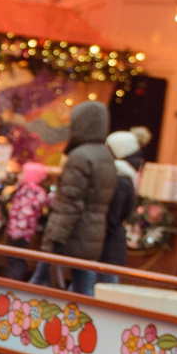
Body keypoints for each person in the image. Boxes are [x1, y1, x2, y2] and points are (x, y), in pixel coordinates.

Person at [38, 100, 118, 296]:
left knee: (39, 286)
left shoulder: (80, 157)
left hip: (71, 234)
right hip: (93, 236)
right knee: (85, 292)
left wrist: (54, 238)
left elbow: (69, 203)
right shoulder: (106, 156)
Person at [98, 129, 146, 276]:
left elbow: (113, 217)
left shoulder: (119, 179)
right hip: (112, 245)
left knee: (103, 285)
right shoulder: (126, 177)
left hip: (108, 247)